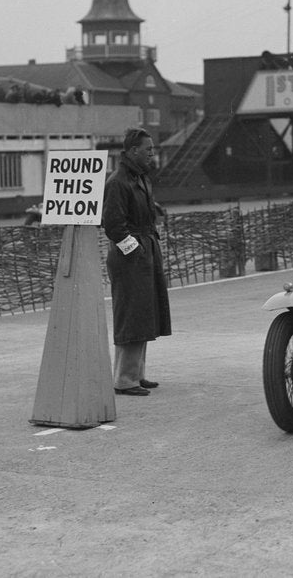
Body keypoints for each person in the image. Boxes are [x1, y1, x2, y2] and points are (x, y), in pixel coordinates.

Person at [102, 127, 171, 396]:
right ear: (133, 151)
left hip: (143, 250)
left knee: (143, 313)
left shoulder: (139, 178)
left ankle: (136, 373)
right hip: (131, 255)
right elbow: (113, 225)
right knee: (132, 314)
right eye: (148, 150)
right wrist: (136, 251)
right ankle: (125, 379)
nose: (152, 154)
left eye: (152, 150)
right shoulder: (119, 181)